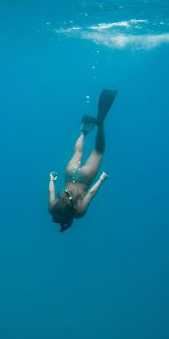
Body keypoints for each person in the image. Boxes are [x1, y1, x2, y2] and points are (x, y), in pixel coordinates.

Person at [49, 89, 117, 232]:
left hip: (85, 179)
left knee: (99, 151)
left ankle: (100, 124)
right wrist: (51, 179)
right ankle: (84, 132)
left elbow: (91, 193)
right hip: (70, 174)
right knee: (78, 152)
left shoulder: (78, 213)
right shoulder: (52, 209)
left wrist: (102, 179)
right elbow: (51, 192)